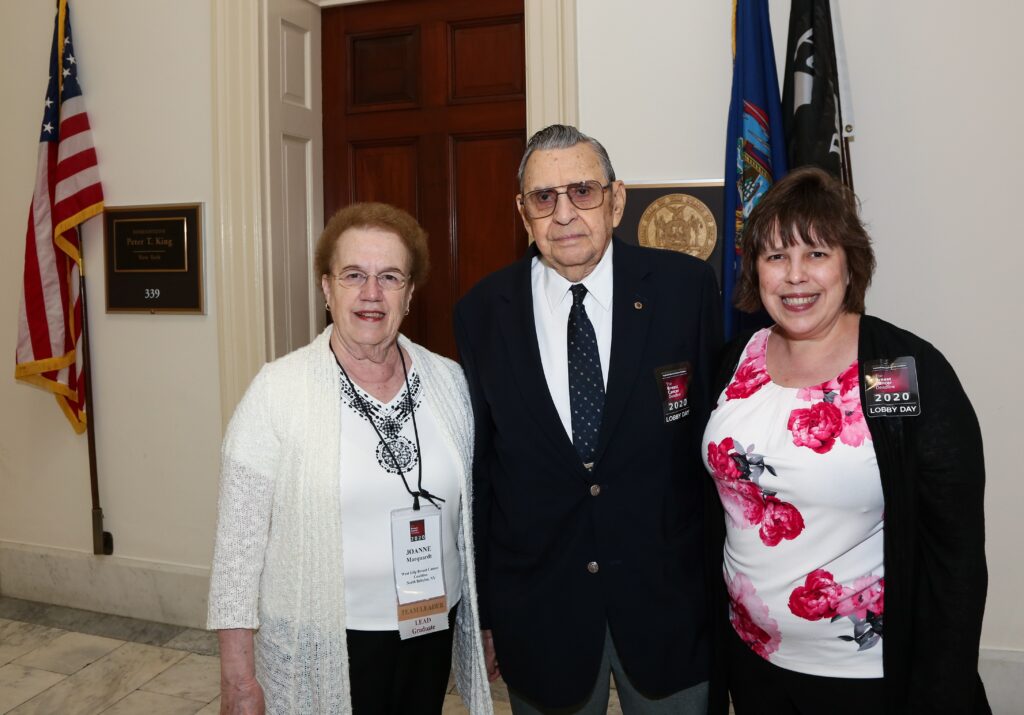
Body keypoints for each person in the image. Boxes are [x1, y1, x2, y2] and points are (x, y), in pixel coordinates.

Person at [453, 124, 722, 714]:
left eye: (583, 191)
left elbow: (712, 453)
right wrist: (486, 613)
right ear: (522, 213)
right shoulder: (480, 314)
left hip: (669, 609)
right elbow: (483, 478)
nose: (564, 213)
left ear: (616, 199)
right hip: (542, 613)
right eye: (543, 198)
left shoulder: (686, 290)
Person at [703, 167, 990, 713]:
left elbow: (955, 556)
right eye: (775, 257)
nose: (795, 277)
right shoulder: (735, 362)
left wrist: (942, 683)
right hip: (751, 657)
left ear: (849, 263)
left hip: (867, 674)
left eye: (815, 254)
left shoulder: (907, 371)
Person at [208, 203, 492, 715]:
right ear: (325, 288)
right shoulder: (278, 391)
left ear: (410, 292)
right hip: (320, 639)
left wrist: (484, 622)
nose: (371, 294)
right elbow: (236, 552)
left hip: (428, 630)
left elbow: (476, 519)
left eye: (389, 277)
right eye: (353, 275)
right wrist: (238, 678)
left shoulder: (450, 382)